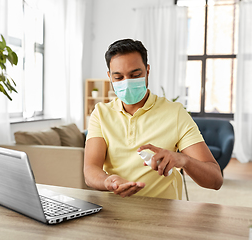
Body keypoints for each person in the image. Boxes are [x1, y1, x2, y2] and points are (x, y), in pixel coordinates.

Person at [84, 39, 223, 200]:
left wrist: (184, 160)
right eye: (118, 77)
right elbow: (90, 169)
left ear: (147, 71)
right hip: (114, 212)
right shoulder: (100, 114)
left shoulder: (175, 113)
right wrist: (108, 181)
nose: (127, 83)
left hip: (163, 215)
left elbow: (215, 180)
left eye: (135, 75)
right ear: (110, 77)